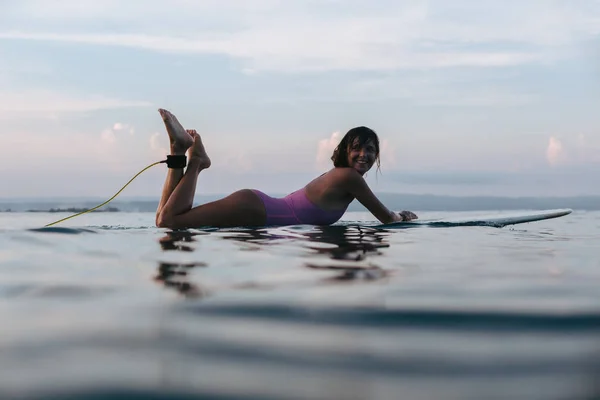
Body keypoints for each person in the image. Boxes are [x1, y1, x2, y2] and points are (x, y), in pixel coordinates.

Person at [155, 108, 418, 229]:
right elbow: (385, 218)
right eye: (358, 148)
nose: (365, 155)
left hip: (256, 211)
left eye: (371, 150)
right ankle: (198, 162)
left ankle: (178, 151)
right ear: (345, 151)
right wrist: (404, 216)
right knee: (169, 223)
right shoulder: (349, 177)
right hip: (255, 209)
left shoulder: (340, 177)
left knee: (163, 221)